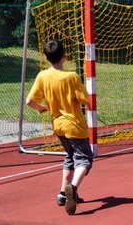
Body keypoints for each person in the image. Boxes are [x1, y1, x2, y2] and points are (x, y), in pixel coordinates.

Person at [26, 39, 92, 215]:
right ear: (64, 57)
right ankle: (73, 187)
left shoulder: (42, 76)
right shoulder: (71, 77)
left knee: (70, 156)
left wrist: (42, 108)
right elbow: (85, 99)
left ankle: (63, 193)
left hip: (58, 126)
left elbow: (29, 101)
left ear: (47, 58)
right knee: (85, 159)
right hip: (75, 126)